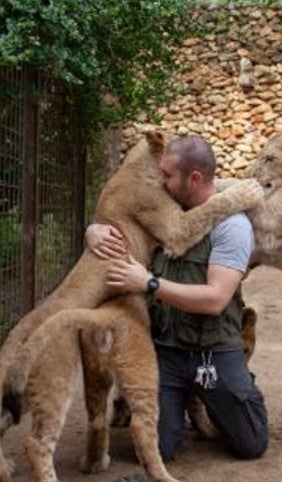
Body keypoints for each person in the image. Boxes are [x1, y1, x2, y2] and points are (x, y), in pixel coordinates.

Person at [85, 135, 268, 462]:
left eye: (168, 175)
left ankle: (230, 388)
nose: (160, 181)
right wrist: (93, 230)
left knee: (250, 444)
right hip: (166, 349)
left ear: (194, 179)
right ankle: (178, 400)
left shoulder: (232, 226)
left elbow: (215, 299)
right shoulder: (162, 214)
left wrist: (149, 283)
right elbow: (120, 219)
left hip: (210, 352)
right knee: (157, 450)